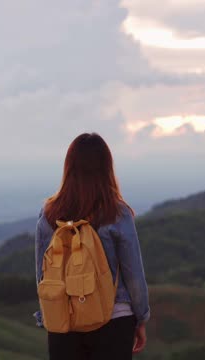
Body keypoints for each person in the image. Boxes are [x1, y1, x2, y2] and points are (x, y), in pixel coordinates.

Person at [34, 132, 151, 360]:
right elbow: (133, 273)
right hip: (114, 320)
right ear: (107, 167)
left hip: (64, 320)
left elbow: (42, 272)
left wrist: (46, 315)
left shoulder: (50, 213)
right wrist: (141, 317)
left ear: (69, 167)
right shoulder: (117, 212)